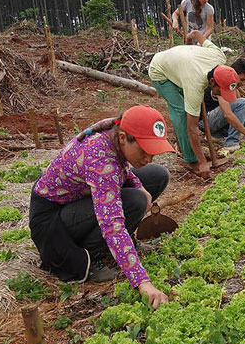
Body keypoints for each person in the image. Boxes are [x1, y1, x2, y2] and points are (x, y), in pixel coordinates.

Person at [29, 105, 174, 308]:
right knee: (134, 201)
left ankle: (123, 245)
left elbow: (122, 166)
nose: (148, 158)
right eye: (144, 151)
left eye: (153, 152)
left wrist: (141, 187)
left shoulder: (115, 129)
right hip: (52, 219)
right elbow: (112, 223)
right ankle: (89, 251)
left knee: (156, 175)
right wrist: (143, 283)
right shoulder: (100, 157)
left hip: (79, 198)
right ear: (123, 138)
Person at [148, 31, 245, 178]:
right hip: (160, 70)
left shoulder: (219, 56)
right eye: (220, 90)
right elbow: (192, 127)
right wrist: (202, 162)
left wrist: (190, 38)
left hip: (181, 63)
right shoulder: (195, 84)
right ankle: (191, 160)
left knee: (191, 107)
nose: (221, 94)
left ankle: (193, 150)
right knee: (181, 113)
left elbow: (198, 34)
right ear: (211, 83)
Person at [199, 57, 245, 153]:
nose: (244, 83)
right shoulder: (221, 83)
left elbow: (236, 104)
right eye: (242, 79)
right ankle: (231, 143)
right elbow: (228, 114)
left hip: (214, 119)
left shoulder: (232, 85)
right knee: (242, 104)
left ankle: (216, 136)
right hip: (205, 121)